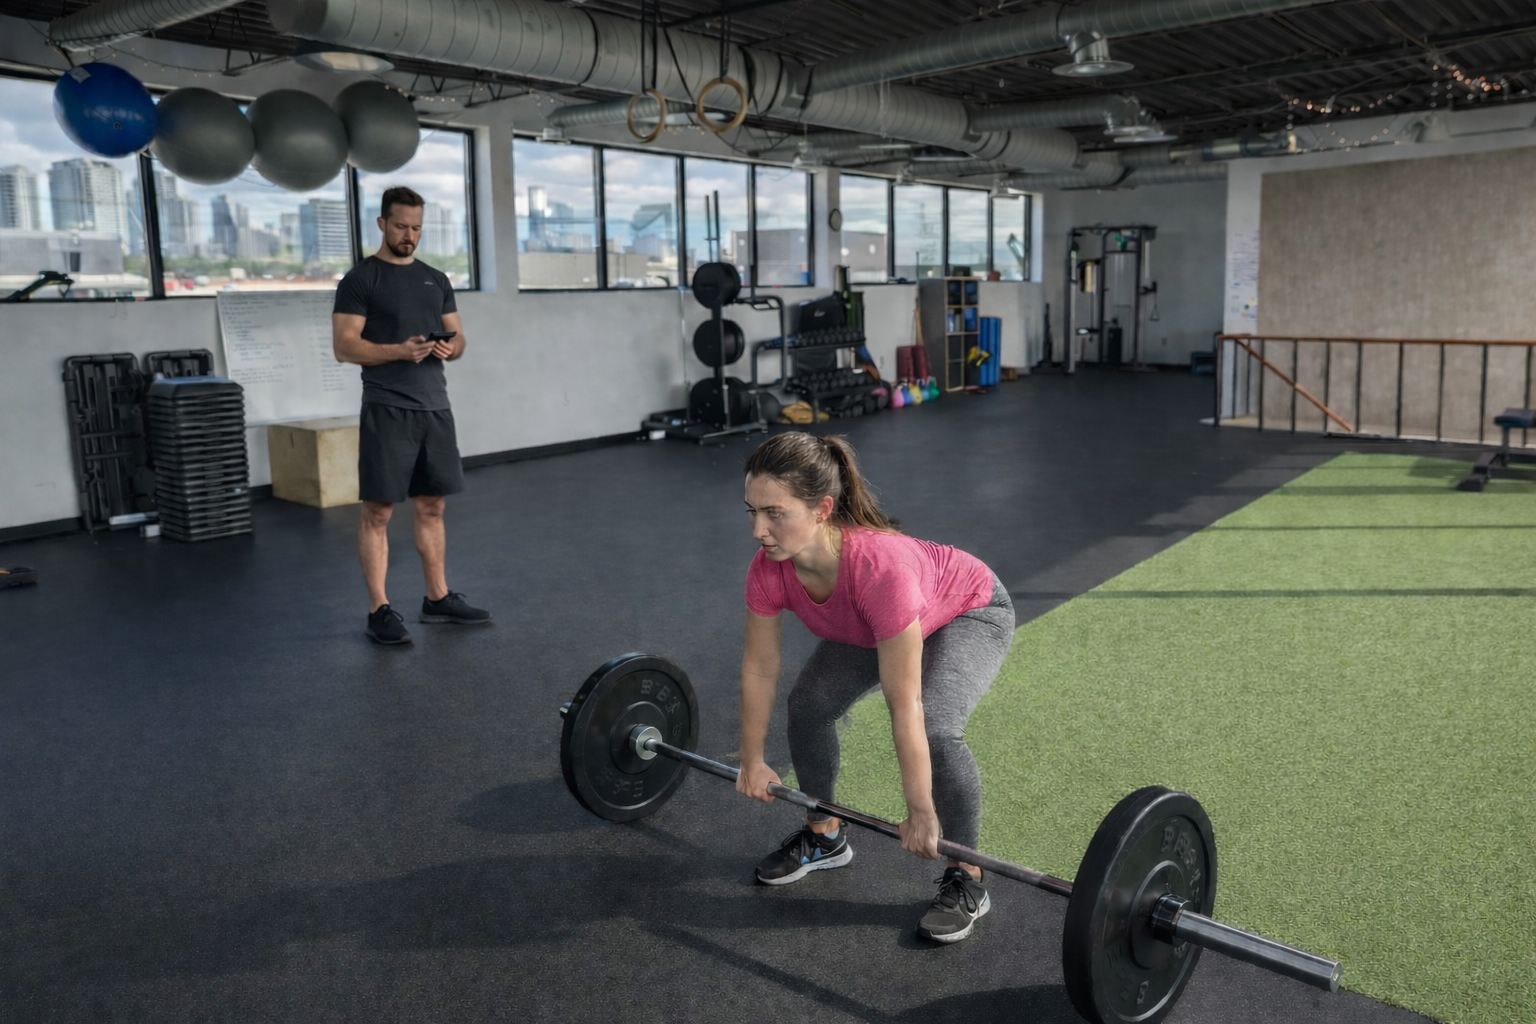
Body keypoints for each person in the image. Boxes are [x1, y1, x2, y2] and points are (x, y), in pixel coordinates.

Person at [735, 431, 1015, 944]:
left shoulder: (879, 569)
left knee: (936, 725)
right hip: (874, 624)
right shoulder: (769, 569)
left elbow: (902, 702)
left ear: (821, 509)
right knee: (810, 704)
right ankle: (825, 835)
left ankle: (967, 874)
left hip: (968, 610)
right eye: (752, 511)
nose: (758, 529)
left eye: (774, 513)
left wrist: (921, 811)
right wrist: (751, 759)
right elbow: (758, 667)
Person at [332, 186, 490, 645]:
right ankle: (378, 609)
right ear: (382, 224)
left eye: (417, 227)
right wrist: (399, 351)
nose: (409, 235)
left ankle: (437, 598)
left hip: (435, 406)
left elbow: (460, 340)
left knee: (433, 505)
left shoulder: (435, 278)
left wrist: (448, 346)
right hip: (387, 408)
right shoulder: (361, 280)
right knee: (378, 512)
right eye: (401, 226)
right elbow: (344, 346)